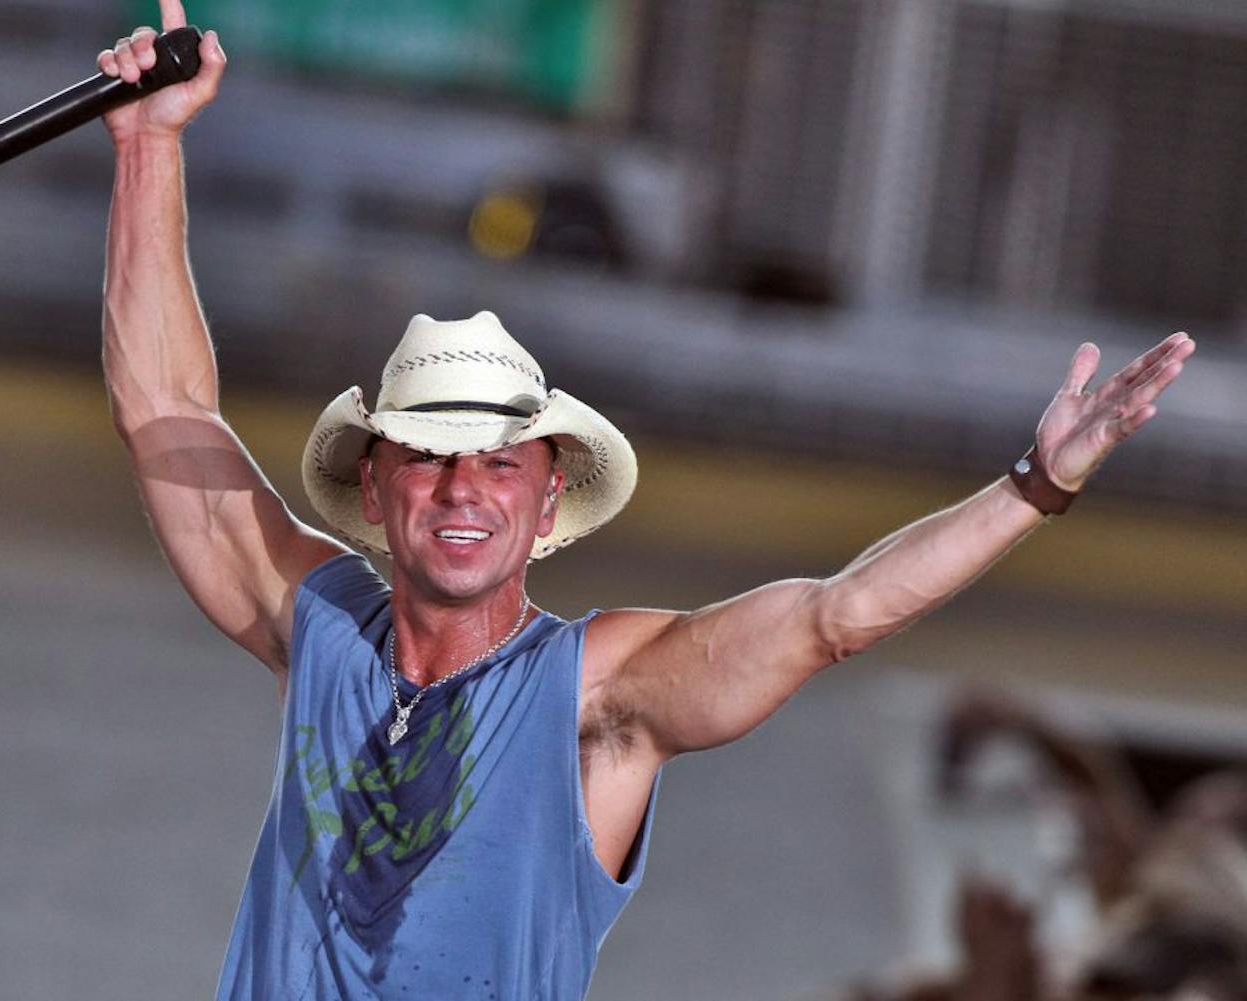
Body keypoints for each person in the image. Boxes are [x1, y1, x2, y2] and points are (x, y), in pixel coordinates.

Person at [96, 3, 1197, 997]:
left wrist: (1036, 482)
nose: (460, 486)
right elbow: (162, 407)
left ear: (545, 500)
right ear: (376, 490)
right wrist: (150, 146)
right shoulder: (322, 624)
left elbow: (836, 615)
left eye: (497, 460)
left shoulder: (593, 699)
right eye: (428, 456)